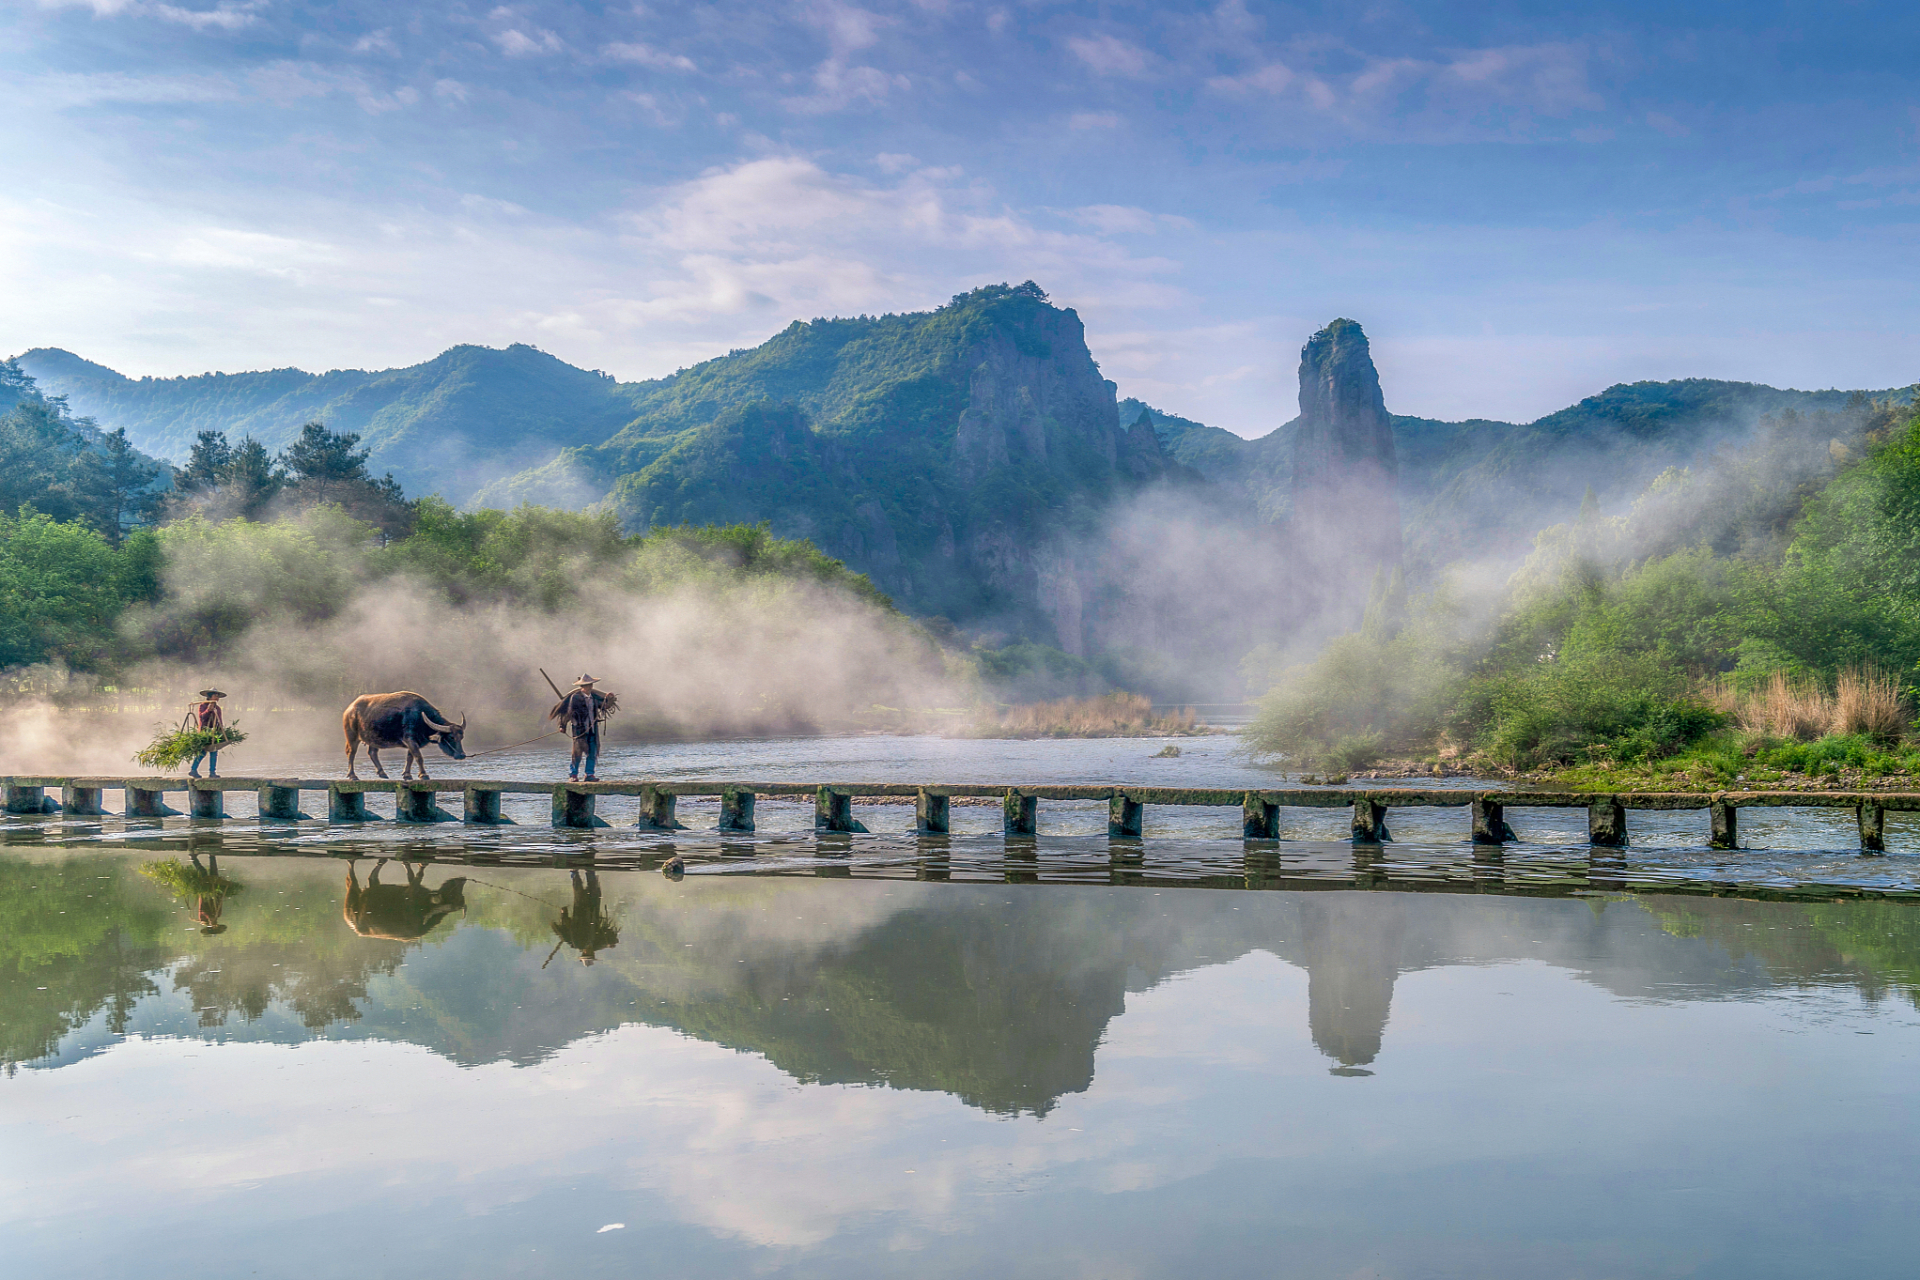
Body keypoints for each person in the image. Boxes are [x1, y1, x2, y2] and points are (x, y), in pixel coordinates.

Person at [544, 868, 620, 966]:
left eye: (588, 954)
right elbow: (610, 940)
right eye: (591, 954)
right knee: (594, 892)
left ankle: (574, 872)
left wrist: (564, 914)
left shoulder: (575, 943)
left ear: (584, 953)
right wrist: (611, 943)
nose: (590, 953)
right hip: (593, 912)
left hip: (580, 913)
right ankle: (590, 872)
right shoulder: (597, 944)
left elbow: (566, 929)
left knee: (579, 892)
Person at [547, 673, 616, 782]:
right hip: (579, 729)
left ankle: (589, 774)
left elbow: (604, 706)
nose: (589, 687)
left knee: (592, 752)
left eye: (590, 684)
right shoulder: (575, 698)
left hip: (593, 730)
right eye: (587, 685)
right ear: (582, 686)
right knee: (577, 753)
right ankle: (573, 775)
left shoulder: (594, 697)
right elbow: (567, 713)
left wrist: (610, 699)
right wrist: (562, 726)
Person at [187, 689, 226, 778]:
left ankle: (212, 772)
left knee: (214, 752)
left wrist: (221, 731)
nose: (217, 698)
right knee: (202, 752)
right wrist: (208, 710)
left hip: (214, 732)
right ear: (210, 696)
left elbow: (219, 720)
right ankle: (193, 770)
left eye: (217, 696)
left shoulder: (218, 708)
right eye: (215, 695)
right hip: (204, 732)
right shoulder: (203, 706)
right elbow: (202, 717)